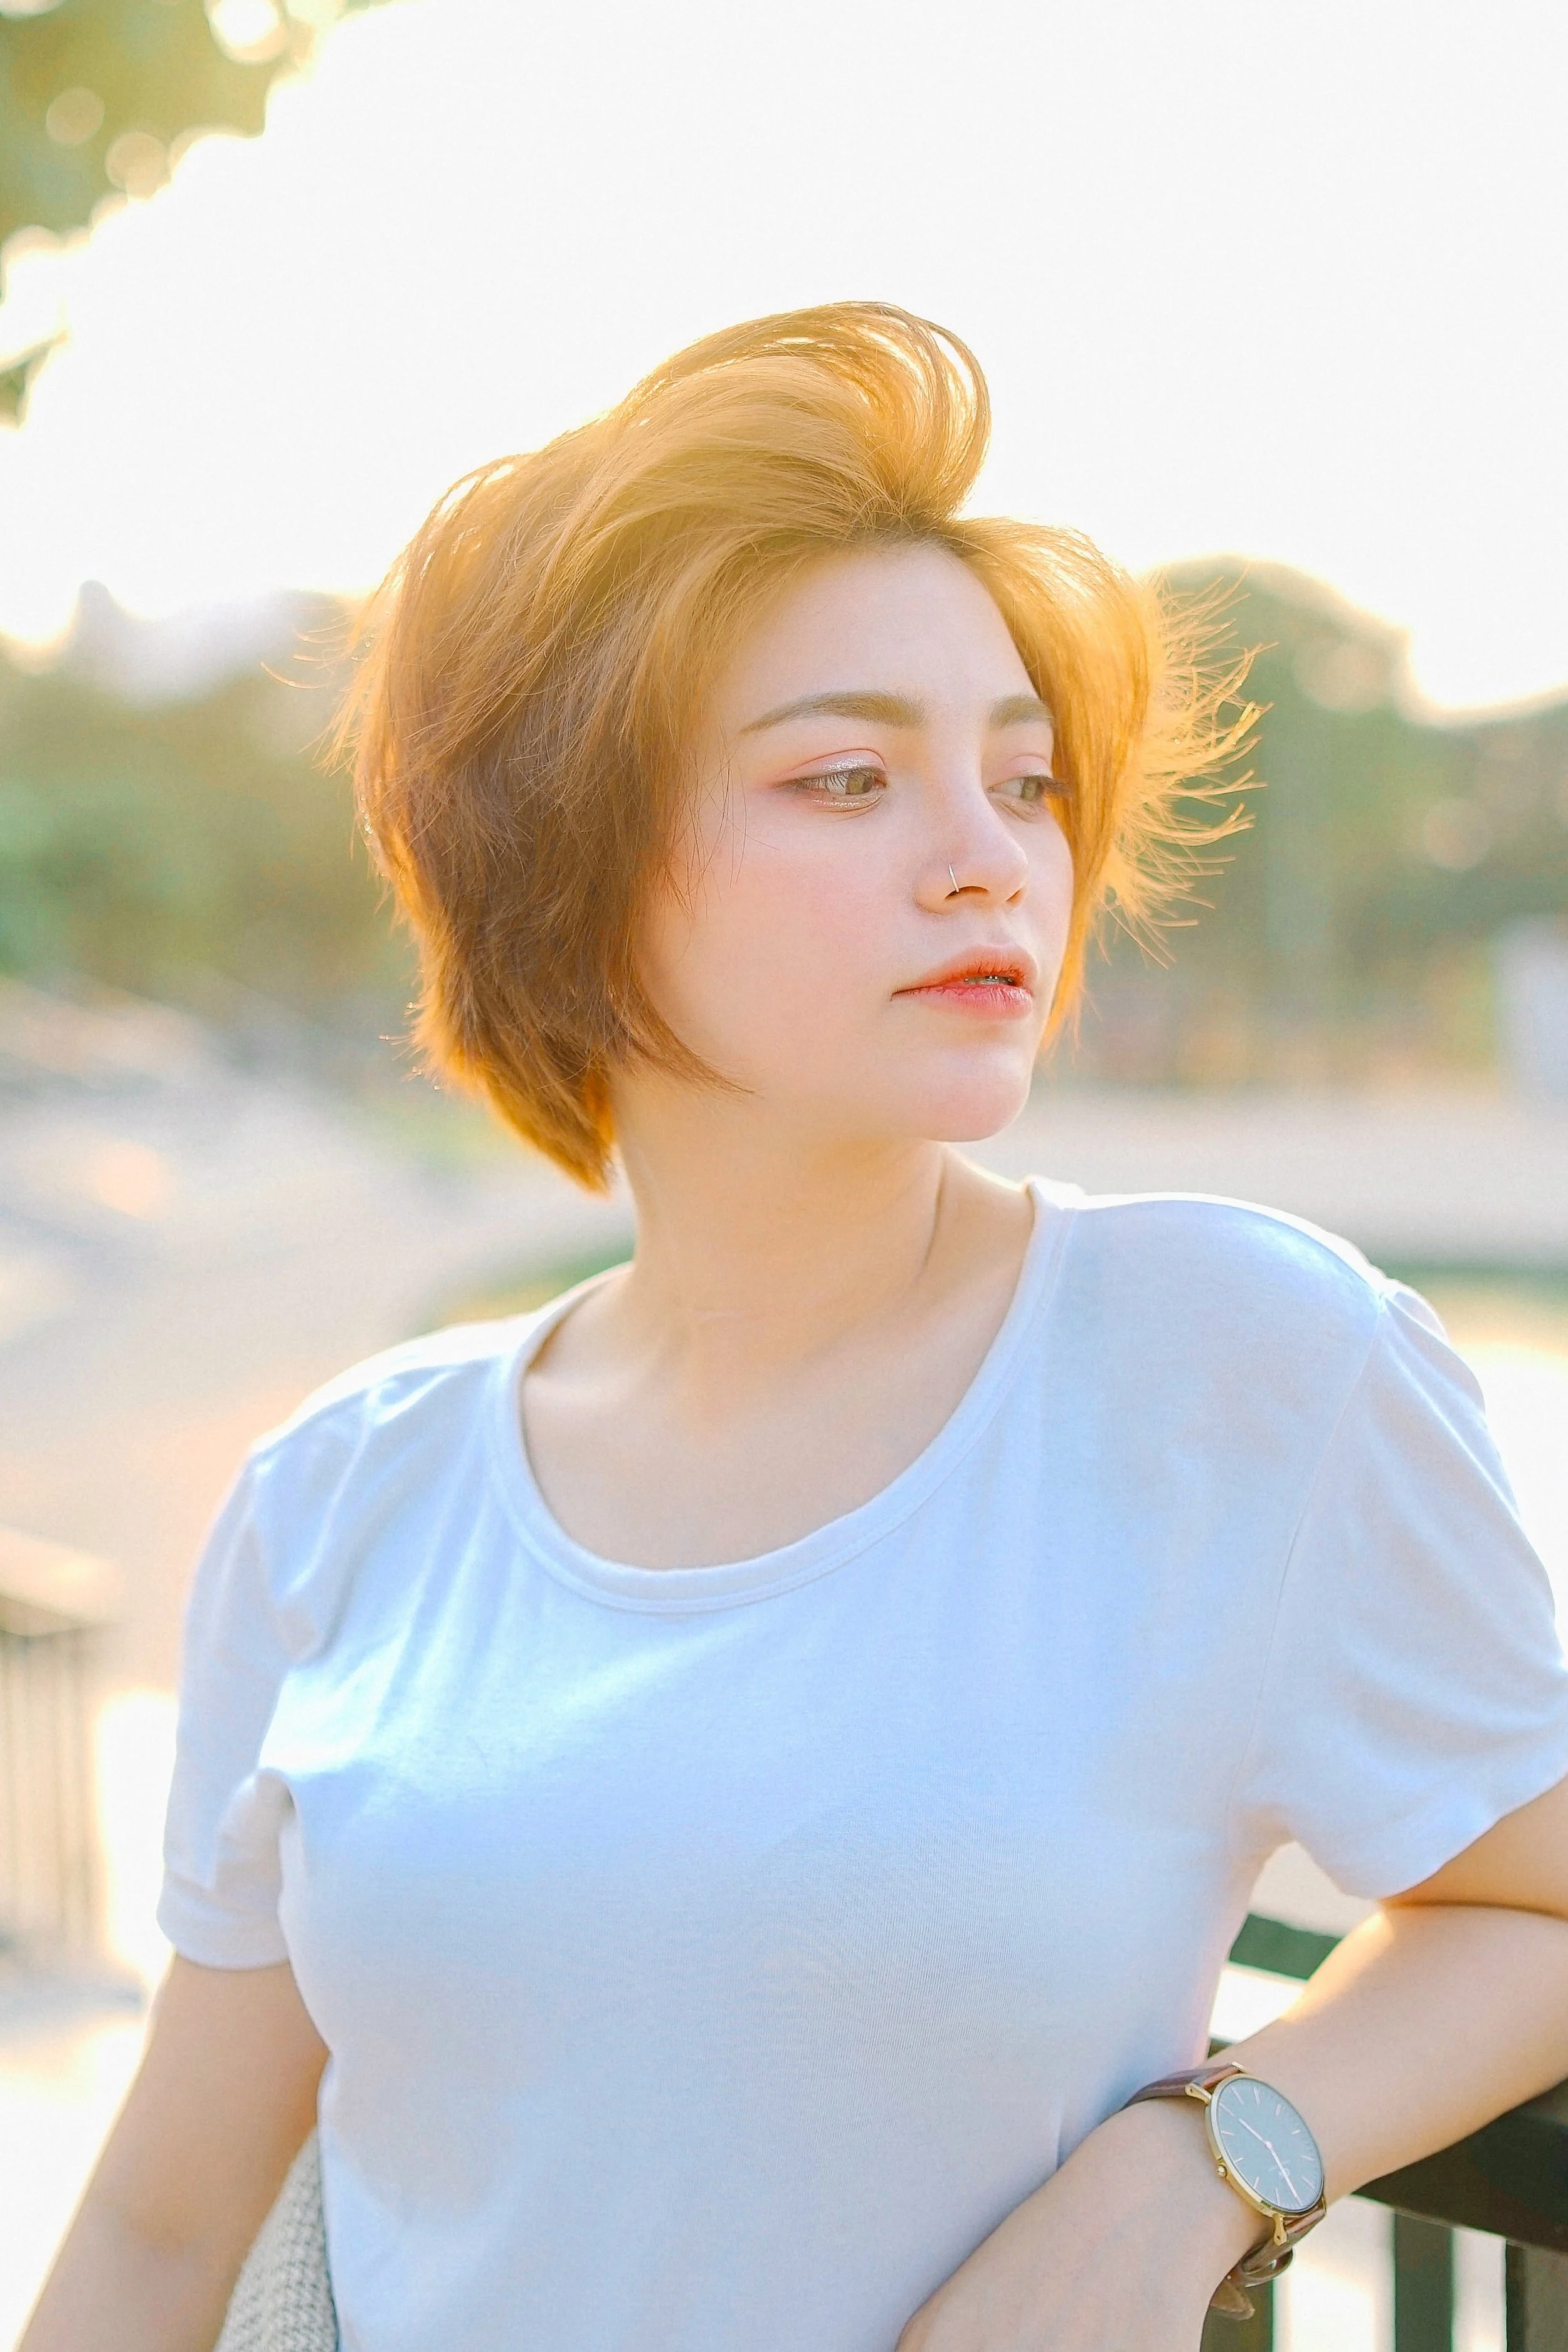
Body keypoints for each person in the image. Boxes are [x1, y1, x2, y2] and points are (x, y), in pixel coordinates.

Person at [23, 303, 1568, 2352]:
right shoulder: (347, 1488)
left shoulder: (1231, 1358)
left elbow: (1533, 1894)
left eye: (1022, 778)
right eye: (847, 777)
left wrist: (1203, 2157)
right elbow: (157, 2229)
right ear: (561, 867)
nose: (987, 862)